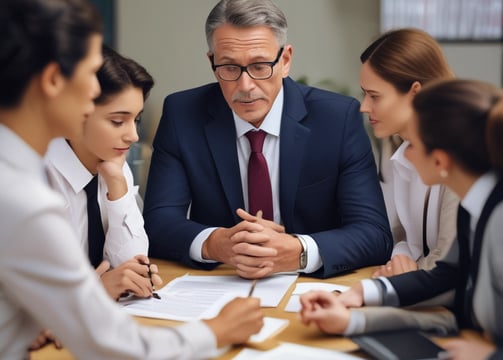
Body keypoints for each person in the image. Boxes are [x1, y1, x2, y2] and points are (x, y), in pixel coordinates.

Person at [0, 0, 263, 359]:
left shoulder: (21, 171)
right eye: (92, 73)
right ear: (52, 80)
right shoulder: (21, 197)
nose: (97, 90)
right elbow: (109, 343)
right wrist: (217, 330)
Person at [143, 0, 392, 280]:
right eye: (229, 67)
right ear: (212, 62)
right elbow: (157, 222)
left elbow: (374, 233)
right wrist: (215, 244)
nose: (246, 86)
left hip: (312, 288)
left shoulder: (336, 118)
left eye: (260, 66)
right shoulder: (183, 114)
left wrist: (300, 250)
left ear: (285, 60)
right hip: (222, 282)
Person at [299, 79, 503, 360]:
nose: (404, 153)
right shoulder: (475, 207)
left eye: (412, 144)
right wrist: (355, 311)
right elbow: (447, 284)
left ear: (440, 162)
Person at [45, 44, 158, 301]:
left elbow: (132, 261)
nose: (133, 136)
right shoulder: (31, 177)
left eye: (136, 119)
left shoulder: (114, 163)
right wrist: (96, 291)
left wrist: (117, 185)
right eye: (118, 121)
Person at [359, 28, 459, 277]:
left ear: (415, 92)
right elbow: (405, 237)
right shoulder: (401, 151)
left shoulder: (461, 155)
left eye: (374, 96)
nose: (363, 106)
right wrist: (401, 261)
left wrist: (405, 277)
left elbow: (447, 264)